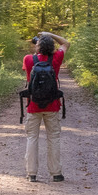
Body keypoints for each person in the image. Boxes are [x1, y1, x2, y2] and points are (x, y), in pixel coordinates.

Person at [23, 31, 68, 183]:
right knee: (53, 138)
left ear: (38, 47)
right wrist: (49, 34)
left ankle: (31, 174)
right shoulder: (56, 58)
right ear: (52, 48)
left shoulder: (29, 59)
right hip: (52, 105)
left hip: (33, 105)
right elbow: (66, 43)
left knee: (32, 138)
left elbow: (28, 80)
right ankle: (56, 173)